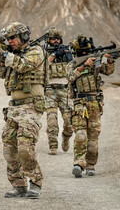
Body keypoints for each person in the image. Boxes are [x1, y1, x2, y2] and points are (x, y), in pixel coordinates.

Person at [0, 22, 45, 198]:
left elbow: (24, 65)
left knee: (25, 146)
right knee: (9, 147)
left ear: (23, 36)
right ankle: (19, 185)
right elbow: (2, 73)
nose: (10, 41)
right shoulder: (12, 55)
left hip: (31, 106)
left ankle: (35, 182)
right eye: (7, 39)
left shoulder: (35, 51)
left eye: (13, 38)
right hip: (14, 108)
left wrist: (5, 53)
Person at [66, 34, 115, 177]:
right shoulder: (73, 64)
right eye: (80, 51)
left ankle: (91, 165)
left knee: (93, 136)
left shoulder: (96, 62)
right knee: (81, 134)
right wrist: (84, 66)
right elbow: (69, 77)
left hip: (94, 102)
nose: (82, 53)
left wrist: (108, 59)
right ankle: (79, 164)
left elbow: (108, 71)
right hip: (79, 103)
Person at [43, 27, 74, 155]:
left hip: (65, 91)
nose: (55, 41)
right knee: (51, 120)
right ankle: (53, 145)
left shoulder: (66, 50)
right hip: (50, 90)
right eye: (52, 39)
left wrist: (68, 56)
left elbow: (75, 66)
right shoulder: (43, 52)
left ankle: (66, 138)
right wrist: (54, 55)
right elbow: (40, 66)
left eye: (57, 38)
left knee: (69, 121)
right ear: (48, 40)